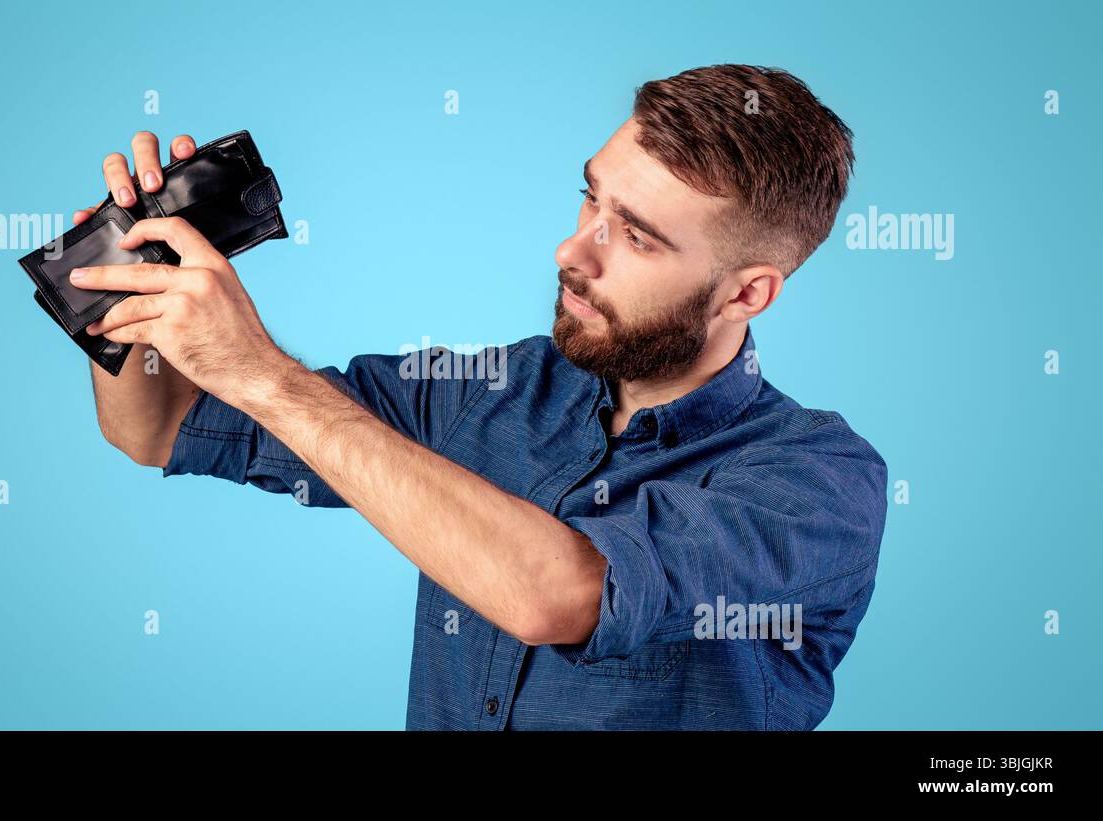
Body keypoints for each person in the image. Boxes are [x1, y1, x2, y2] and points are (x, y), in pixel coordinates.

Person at [68, 64, 887, 730]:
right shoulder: (491, 391)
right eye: (591, 196)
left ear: (747, 295)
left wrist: (264, 374)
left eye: (636, 236)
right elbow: (162, 427)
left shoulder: (819, 482)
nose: (573, 249)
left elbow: (559, 594)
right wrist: (123, 295)